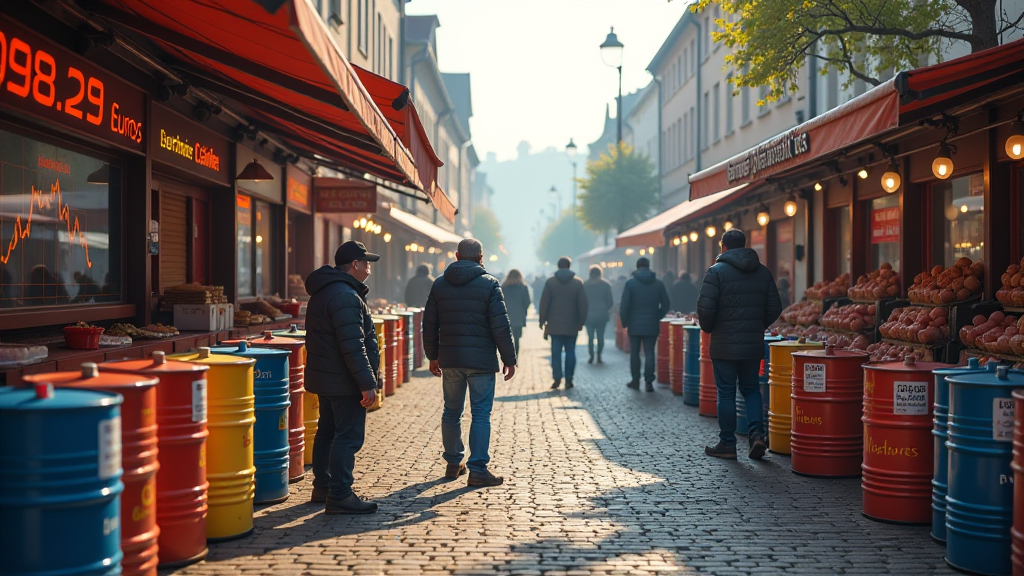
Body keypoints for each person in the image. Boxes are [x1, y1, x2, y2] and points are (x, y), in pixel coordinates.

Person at [423, 238, 517, 487]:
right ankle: (478, 469)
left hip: (451, 359)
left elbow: (429, 323)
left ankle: (454, 461)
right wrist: (509, 359)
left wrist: (432, 355)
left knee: (451, 411)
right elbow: (501, 326)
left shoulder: (440, 285)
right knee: (481, 413)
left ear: (456, 256)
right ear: (481, 257)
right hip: (481, 362)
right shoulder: (490, 284)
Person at [304, 241, 381, 514]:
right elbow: (353, 345)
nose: (369, 267)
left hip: (326, 377)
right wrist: (367, 383)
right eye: (366, 262)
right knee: (347, 437)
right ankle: (339, 494)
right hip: (343, 379)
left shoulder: (326, 291)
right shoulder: (345, 296)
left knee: (327, 432)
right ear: (354, 265)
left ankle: (323, 487)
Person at [697, 229, 783, 461]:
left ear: (723, 247)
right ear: (744, 246)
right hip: (751, 343)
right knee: (751, 388)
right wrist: (757, 325)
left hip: (724, 343)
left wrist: (711, 327)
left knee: (726, 392)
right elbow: (775, 307)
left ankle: (727, 444)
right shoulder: (763, 272)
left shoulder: (715, 272)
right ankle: (756, 434)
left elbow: (705, 308)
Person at [619, 257, 671, 392]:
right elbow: (666, 304)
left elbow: (624, 305)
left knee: (634, 353)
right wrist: (657, 316)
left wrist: (624, 321)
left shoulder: (630, 283)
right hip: (651, 324)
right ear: (649, 267)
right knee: (649, 352)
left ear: (637, 267)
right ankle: (649, 382)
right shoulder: (658, 284)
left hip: (634, 323)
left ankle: (635, 380)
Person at [539, 257, 588, 390]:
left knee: (555, 352)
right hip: (572, 324)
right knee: (570, 351)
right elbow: (583, 304)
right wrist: (581, 321)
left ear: (558, 266)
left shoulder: (550, 282)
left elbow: (544, 303)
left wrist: (542, 320)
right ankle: (569, 379)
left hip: (554, 324)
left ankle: (557, 378)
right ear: (569, 266)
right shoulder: (578, 283)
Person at [583, 266, 613, 364]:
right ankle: (599, 355)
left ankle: (591, 355)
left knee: (590, 337)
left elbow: (581, 300)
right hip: (601, 314)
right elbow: (610, 302)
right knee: (600, 336)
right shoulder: (606, 285)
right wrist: (605, 308)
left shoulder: (585, 285)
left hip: (588, 315)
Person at [502, 269, 531, 354]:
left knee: (506, 338)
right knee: (517, 339)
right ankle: (515, 357)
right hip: (519, 317)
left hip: (505, 316)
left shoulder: (503, 288)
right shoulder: (523, 288)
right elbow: (528, 302)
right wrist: (523, 310)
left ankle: (506, 357)